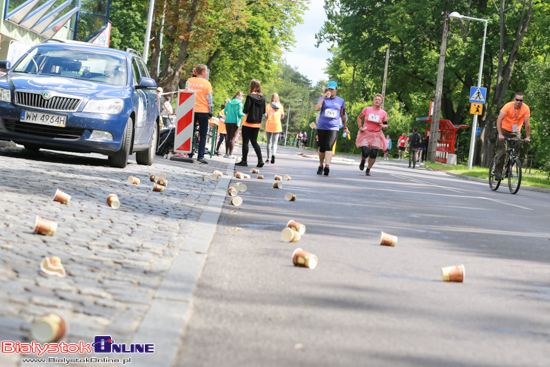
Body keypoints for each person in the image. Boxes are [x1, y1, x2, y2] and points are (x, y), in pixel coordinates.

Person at [494, 92, 531, 180]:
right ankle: (497, 173)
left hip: (515, 131)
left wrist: (528, 137)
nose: (518, 101)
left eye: (520, 100)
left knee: (516, 152)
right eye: (517, 100)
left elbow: (527, 124)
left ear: (523, 100)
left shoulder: (525, 108)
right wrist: (500, 134)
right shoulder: (508, 106)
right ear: (514, 99)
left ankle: (508, 170)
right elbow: (499, 120)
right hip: (504, 130)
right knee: (502, 152)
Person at [314, 81, 348, 176]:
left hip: (333, 127)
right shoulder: (323, 98)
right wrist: (324, 97)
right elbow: (317, 108)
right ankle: (321, 165)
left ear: (336, 89)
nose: (330, 91)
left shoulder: (341, 101)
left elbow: (343, 115)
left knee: (329, 146)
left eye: (332, 89)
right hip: (322, 126)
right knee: (322, 148)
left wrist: (345, 127)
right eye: (329, 89)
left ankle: (327, 166)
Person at [186, 64, 213, 164]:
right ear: (202, 72)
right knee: (203, 134)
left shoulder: (189, 81)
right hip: (203, 111)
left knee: (190, 133)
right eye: (206, 71)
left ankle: (189, 153)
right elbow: (209, 99)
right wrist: (211, 112)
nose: (206, 73)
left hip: (191, 110)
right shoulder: (207, 84)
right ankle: (200, 156)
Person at [355, 94, 388, 176]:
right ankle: (363, 160)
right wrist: (360, 127)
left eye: (379, 100)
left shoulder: (383, 113)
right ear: (373, 101)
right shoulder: (367, 109)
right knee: (365, 152)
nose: (377, 101)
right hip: (366, 133)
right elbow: (359, 118)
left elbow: (386, 124)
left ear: (381, 102)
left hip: (377, 135)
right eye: (376, 99)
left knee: (373, 153)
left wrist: (384, 126)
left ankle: (368, 169)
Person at [236, 79, 266, 167]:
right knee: (254, 142)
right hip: (257, 123)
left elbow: (246, 110)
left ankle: (244, 161)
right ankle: (260, 160)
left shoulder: (249, 97)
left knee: (245, 142)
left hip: (247, 122)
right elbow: (263, 111)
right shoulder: (262, 98)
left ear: (251, 86)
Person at [223, 91, 245, 158]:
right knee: (233, 138)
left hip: (227, 121)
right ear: (237, 96)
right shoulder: (240, 103)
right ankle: (230, 154)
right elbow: (240, 113)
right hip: (235, 122)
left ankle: (226, 153)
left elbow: (224, 111)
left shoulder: (229, 102)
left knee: (228, 137)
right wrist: (246, 115)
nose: (242, 97)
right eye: (242, 95)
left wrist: (228, 115)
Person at [264, 93, 284, 164]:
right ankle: (273, 155)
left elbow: (266, 116)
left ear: (271, 98)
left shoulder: (268, 106)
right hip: (277, 126)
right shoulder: (281, 106)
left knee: (269, 142)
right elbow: (282, 116)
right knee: (275, 143)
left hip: (269, 125)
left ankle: (268, 158)